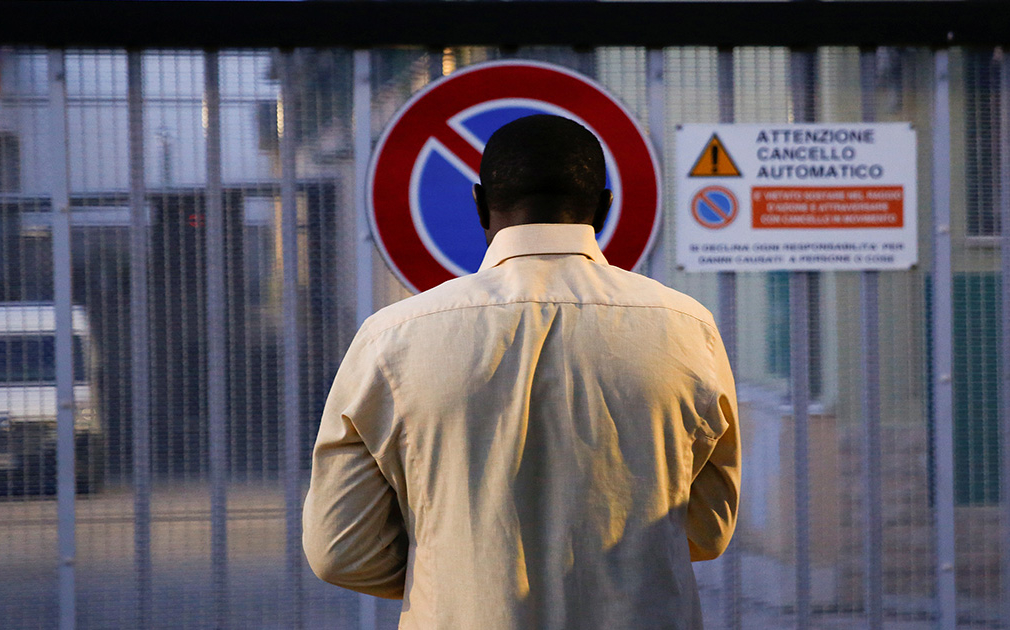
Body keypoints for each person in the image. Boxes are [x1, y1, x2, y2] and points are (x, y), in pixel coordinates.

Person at [303, 114, 740, 629]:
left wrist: (452, 573)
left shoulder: (392, 338)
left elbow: (340, 550)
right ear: (604, 207)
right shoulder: (688, 328)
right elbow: (708, 529)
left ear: (479, 204)